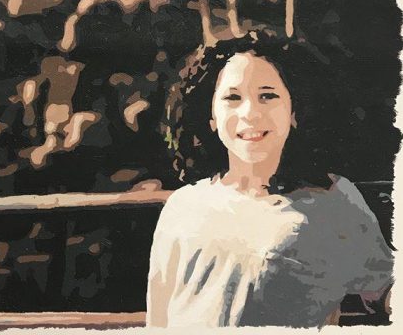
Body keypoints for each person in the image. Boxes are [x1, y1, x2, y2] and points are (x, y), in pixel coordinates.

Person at [146, 31, 393, 328]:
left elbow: (384, 288)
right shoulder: (183, 206)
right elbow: (157, 319)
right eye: (232, 98)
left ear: (294, 111)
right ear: (211, 116)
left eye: (267, 96)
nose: (250, 113)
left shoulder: (333, 199)